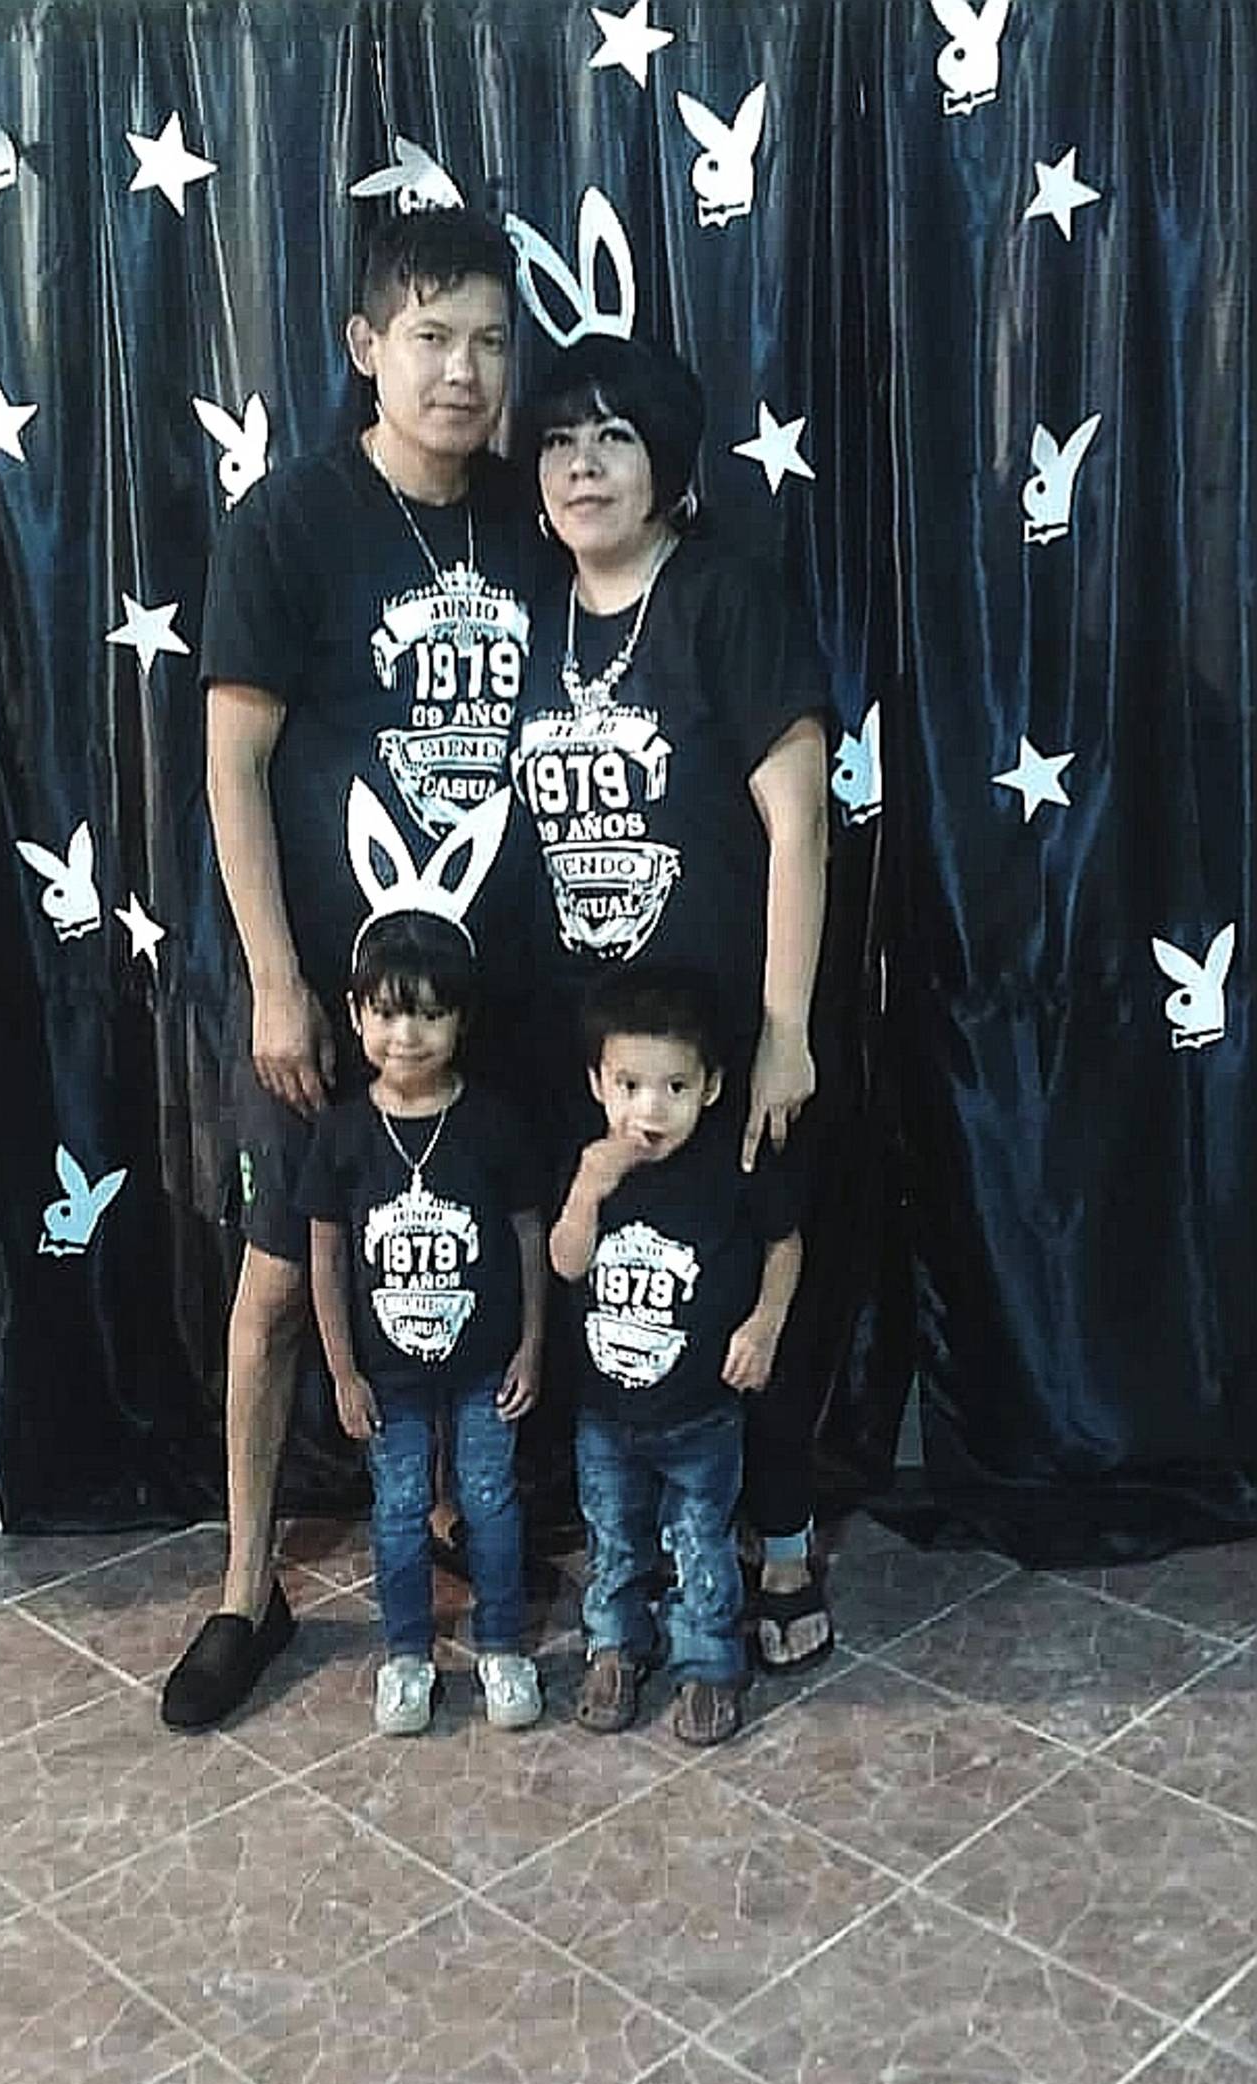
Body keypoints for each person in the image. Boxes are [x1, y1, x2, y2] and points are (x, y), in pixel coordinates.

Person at [162, 206, 536, 1731]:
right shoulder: (292, 523)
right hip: (333, 999)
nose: (464, 372)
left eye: (491, 340)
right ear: (366, 346)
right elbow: (232, 762)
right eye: (432, 337)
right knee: (276, 1283)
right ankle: (246, 1584)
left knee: (476, 1248)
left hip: (497, 996)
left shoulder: (529, 510)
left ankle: (453, 1518)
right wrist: (274, 977)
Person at [514, 334, 833, 1671]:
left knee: (746, 1295)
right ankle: (638, 1559)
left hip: (725, 1051)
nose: (583, 465)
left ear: (669, 467)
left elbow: (800, 820)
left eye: (615, 438)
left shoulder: (722, 598)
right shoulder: (530, 615)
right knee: (626, 1304)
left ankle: (786, 1545)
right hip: (592, 1059)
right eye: (560, 440)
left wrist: (785, 1030)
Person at [296, 908, 544, 1732]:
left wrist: (532, 1347)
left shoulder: (495, 1121)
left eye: (431, 1014)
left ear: (461, 1020)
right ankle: (407, 1654)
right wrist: (342, 1370)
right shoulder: (341, 1132)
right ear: (356, 1013)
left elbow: (530, 1236)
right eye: (389, 1012)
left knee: (490, 1498)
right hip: (386, 1371)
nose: (408, 1035)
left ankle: (503, 1645)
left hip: (486, 1363)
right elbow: (326, 1257)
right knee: (400, 1506)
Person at [551, 967, 802, 1745]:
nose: (650, 1110)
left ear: (712, 1087)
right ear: (597, 1083)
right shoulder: (590, 1166)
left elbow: (785, 1242)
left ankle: (709, 1660)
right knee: (612, 1539)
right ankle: (614, 1646)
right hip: (605, 1414)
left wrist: (763, 1325)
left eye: (675, 1087)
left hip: (702, 1412)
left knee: (701, 1541)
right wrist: (586, 1192)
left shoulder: (733, 1167)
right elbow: (565, 1263)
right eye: (629, 1085)